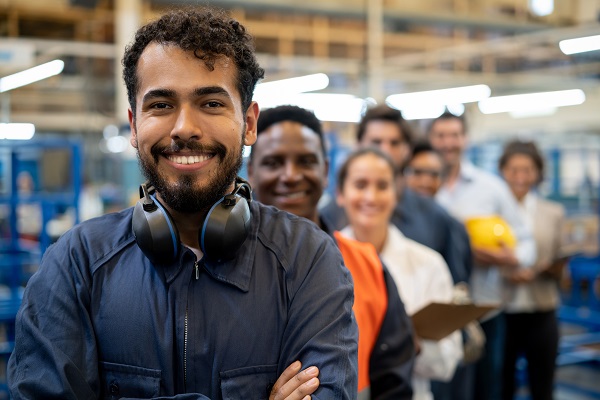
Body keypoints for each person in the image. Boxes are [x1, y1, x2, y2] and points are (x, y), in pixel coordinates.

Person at [8, 8, 359, 399]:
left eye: (211, 104)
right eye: (161, 105)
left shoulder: (307, 259)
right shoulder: (76, 264)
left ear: (249, 123)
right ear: (134, 124)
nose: (184, 128)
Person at [247, 105, 416, 400]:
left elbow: (394, 379)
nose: (290, 175)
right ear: (251, 172)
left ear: (325, 171)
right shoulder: (219, 267)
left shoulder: (367, 265)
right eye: (273, 162)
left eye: (306, 162)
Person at [335, 147, 462, 400]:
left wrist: (409, 343)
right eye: (360, 185)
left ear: (396, 194)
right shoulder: (323, 259)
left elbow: (448, 362)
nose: (371, 196)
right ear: (341, 194)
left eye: (382, 186)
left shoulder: (428, 264)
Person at [428, 112, 536, 400]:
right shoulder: (420, 188)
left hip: (484, 308)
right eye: (441, 135)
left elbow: (526, 241)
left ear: (465, 139)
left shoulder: (491, 188)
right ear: (431, 140)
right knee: (440, 388)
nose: (448, 142)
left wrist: (511, 258)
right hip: (434, 311)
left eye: (454, 135)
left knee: (488, 388)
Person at [320, 105, 470, 285]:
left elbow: (456, 288)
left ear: (407, 149)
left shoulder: (435, 217)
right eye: (376, 142)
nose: (385, 150)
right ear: (358, 145)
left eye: (394, 143)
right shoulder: (328, 218)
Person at [499, 140, 566, 400]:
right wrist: (508, 273)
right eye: (513, 170)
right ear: (503, 171)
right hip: (503, 310)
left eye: (527, 170)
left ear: (537, 173)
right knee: (502, 383)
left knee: (543, 383)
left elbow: (560, 262)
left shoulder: (553, 213)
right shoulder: (494, 211)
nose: (520, 177)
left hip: (542, 308)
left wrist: (550, 268)